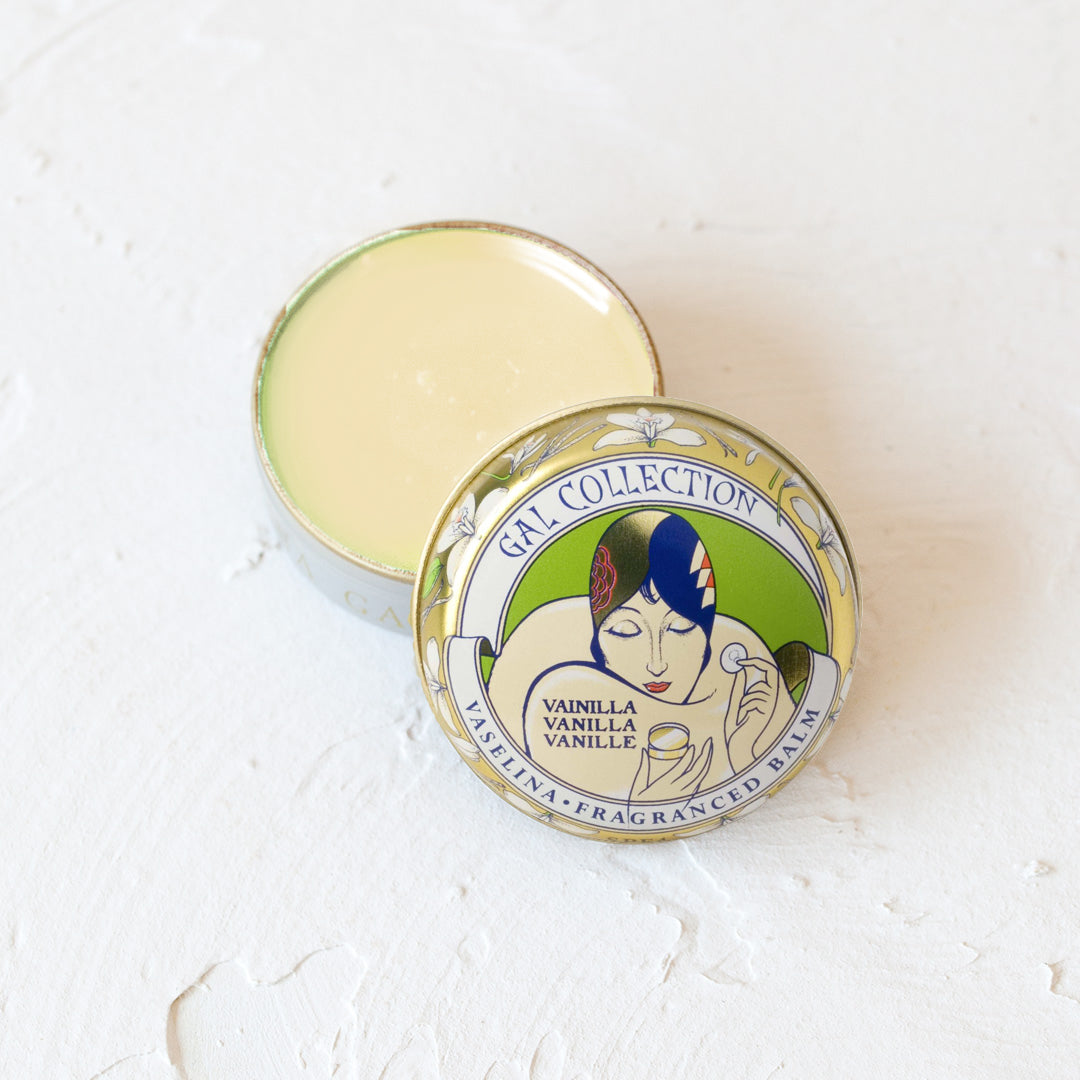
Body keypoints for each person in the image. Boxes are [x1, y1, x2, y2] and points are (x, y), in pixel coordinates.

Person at [488, 510, 799, 802]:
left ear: (708, 642)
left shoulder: (746, 680)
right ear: (598, 645)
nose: (656, 664)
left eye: (679, 628)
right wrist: (642, 805)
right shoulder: (537, 663)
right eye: (626, 631)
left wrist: (744, 754)